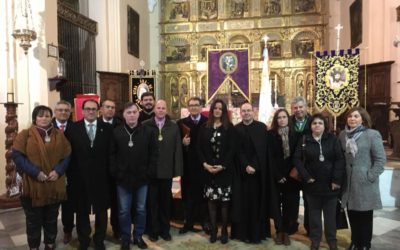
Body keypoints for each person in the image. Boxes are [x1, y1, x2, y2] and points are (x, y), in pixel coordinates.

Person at [12, 105, 71, 250]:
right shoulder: (25, 135)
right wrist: (36, 172)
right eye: (40, 115)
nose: (44, 118)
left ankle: (50, 244)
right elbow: (18, 156)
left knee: (51, 218)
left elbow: (67, 155)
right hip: (33, 186)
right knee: (34, 220)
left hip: (53, 184)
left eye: (47, 115)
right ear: (34, 118)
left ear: (51, 118)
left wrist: (58, 170)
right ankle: (34, 246)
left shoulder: (59, 135)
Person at [110, 102, 158, 250]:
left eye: (134, 112)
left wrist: (149, 172)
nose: (131, 115)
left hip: (142, 178)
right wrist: (117, 173)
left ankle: (138, 236)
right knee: (124, 210)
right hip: (123, 179)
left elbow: (154, 154)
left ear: (138, 114)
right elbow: (111, 155)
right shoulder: (116, 132)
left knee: (141, 209)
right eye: (128, 112)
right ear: (124, 115)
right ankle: (125, 238)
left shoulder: (148, 131)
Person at [294, 113, 345, 250]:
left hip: (330, 185)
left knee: (330, 217)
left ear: (324, 125)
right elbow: (297, 159)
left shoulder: (332, 139)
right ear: (310, 126)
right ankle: (315, 240)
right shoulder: (305, 139)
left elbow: (339, 160)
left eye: (320, 123)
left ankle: (331, 241)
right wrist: (306, 176)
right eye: (314, 123)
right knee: (314, 216)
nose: (317, 125)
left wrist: (336, 180)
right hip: (312, 184)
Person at [68, 99, 113, 250]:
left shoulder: (107, 128)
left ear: (99, 110)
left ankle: (99, 240)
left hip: (102, 178)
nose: (91, 111)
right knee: (82, 211)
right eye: (88, 109)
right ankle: (84, 240)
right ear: (82, 110)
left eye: (94, 109)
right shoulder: (73, 128)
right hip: (80, 178)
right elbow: (69, 154)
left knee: (101, 211)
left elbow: (110, 153)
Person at [338, 107, 386, 250]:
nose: (352, 119)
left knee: (365, 216)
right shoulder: (342, 135)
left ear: (363, 119)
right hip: (348, 183)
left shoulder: (372, 134)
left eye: (356, 116)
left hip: (364, 183)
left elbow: (380, 160)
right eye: (350, 116)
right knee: (352, 213)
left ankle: (365, 244)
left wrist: (369, 176)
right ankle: (354, 241)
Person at [143, 99, 183, 242]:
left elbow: (178, 149)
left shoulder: (173, 127)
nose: (160, 110)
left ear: (166, 110)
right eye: (158, 108)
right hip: (151, 171)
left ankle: (165, 230)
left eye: (163, 108)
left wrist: (177, 169)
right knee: (152, 202)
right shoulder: (145, 125)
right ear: (154, 109)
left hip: (167, 171)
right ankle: (153, 230)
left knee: (165, 203)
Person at [197, 99, 236, 244]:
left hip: (224, 171)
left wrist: (223, 166)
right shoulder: (204, 127)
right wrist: (205, 164)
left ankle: (224, 230)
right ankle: (213, 231)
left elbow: (232, 149)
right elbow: (199, 148)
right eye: (215, 108)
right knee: (211, 203)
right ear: (212, 110)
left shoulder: (229, 128)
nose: (218, 110)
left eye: (220, 108)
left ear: (224, 111)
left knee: (225, 204)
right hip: (208, 171)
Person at [232, 102, 270, 243]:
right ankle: (242, 233)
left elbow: (262, 149)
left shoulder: (261, 128)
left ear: (253, 112)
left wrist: (254, 165)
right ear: (240, 113)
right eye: (244, 111)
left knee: (256, 203)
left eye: (249, 110)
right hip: (241, 174)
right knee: (242, 203)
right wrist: (246, 165)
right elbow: (237, 151)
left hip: (258, 174)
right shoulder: (236, 129)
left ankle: (257, 233)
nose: (246, 113)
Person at [177, 97, 209, 234]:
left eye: (197, 105)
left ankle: (205, 221)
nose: (194, 107)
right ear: (188, 108)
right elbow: (175, 145)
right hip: (188, 164)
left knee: (203, 194)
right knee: (188, 194)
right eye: (191, 105)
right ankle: (188, 222)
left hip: (204, 165)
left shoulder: (207, 122)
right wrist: (182, 143)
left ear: (201, 107)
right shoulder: (181, 123)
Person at [268, 108, 300, 246]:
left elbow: (297, 156)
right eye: (279, 117)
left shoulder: (296, 135)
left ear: (288, 119)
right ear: (276, 120)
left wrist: (288, 174)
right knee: (275, 205)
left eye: (284, 117)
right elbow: (269, 157)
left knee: (289, 206)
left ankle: (286, 232)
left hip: (291, 177)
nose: (282, 120)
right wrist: (278, 175)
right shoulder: (270, 135)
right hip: (276, 176)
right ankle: (279, 231)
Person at [52, 100, 75, 244]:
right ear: (55, 112)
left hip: (71, 173)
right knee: (52, 207)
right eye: (60, 110)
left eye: (66, 110)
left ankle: (68, 231)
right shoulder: (47, 127)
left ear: (70, 112)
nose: (63, 112)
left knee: (68, 205)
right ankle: (51, 234)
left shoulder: (75, 127)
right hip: (52, 173)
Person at [99, 99, 121, 239]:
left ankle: (116, 229)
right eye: (107, 107)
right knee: (101, 203)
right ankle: (100, 232)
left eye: (113, 107)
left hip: (117, 170)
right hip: (100, 170)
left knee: (116, 202)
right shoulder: (95, 124)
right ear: (101, 109)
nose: (110, 109)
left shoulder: (120, 124)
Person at [290, 96, 311, 234]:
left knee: (309, 198)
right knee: (292, 197)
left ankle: (309, 227)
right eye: (295, 108)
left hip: (309, 166)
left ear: (306, 107)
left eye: (301, 107)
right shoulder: (288, 122)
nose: (298, 110)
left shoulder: (313, 121)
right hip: (291, 165)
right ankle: (292, 224)